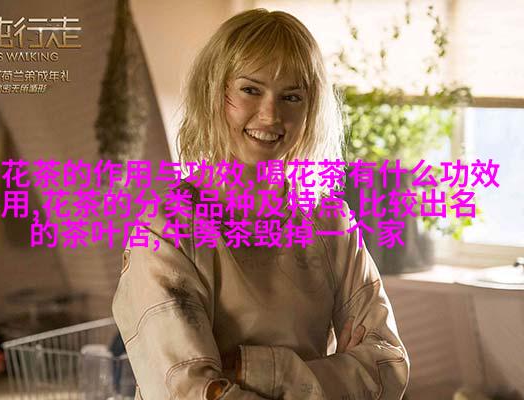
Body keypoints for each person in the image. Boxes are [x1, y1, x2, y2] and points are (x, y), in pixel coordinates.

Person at [112, 8, 409, 400]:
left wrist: (254, 370)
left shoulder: (330, 223)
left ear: (310, 109)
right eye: (251, 90)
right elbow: (190, 391)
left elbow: (387, 367)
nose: (271, 115)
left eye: (291, 97)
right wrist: (336, 375)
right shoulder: (167, 230)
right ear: (213, 92)